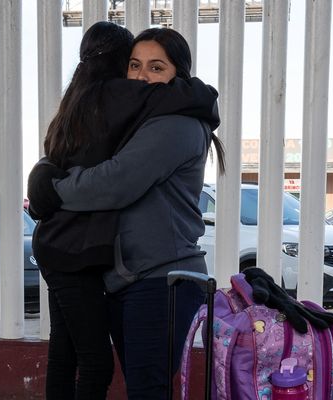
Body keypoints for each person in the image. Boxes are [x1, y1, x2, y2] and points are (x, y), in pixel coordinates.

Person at [29, 27, 225, 399]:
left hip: (163, 278)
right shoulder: (137, 117)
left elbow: (117, 181)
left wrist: (51, 187)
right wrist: (44, 166)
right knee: (140, 386)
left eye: (156, 67)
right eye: (134, 65)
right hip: (128, 280)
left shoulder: (177, 123)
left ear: (177, 76)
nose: (141, 75)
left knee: (147, 390)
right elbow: (81, 147)